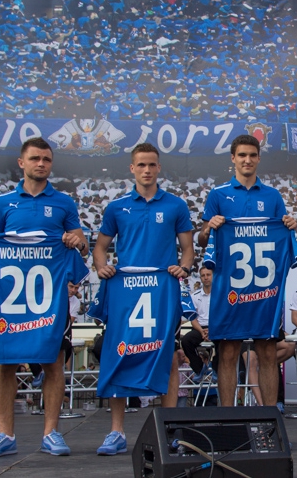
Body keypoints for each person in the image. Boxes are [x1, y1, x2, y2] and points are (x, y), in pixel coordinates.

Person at [0, 137, 88, 459]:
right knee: (4, 365)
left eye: (47, 159)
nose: (41, 164)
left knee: (52, 362)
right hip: (10, 301)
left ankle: (51, 432)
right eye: (35, 158)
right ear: (21, 163)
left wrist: (77, 241)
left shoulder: (65, 203)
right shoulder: (3, 203)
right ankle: (4, 433)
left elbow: (82, 245)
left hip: (49, 299)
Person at [92, 142, 194, 456]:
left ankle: (169, 429)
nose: (147, 170)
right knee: (117, 355)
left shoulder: (176, 205)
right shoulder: (117, 207)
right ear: (132, 168)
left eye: (152, 165)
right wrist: (101, 266)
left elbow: (187, 248)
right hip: (126, 292)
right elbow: (100, 247)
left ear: (159, 168)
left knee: (169, 357)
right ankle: (116, 431)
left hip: (162, 292)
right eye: (141, 165)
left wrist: (185, 266)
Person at [198, 135, 296, 409]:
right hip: (230, 289)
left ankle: (268, 415)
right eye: (242, 155)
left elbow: (283, 236)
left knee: (266, 352)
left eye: (252, 155)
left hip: (265, 290)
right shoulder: (218, 195)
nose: (247, 160)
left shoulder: (273, 196)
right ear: (233, 158)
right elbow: (202, 240)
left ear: (259, 158)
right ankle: (227, 416)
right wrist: (210, 227)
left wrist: (289, 223)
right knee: (228, 352)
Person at [181, 267, 214, 380]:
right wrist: (201, 331)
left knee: (224, 342)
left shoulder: (220, 295)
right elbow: (193, 318)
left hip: (216, 327)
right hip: (200, 328)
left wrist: (212, 330)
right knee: (186, 341)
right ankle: (199, 368)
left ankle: (216, 369)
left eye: (208, 275)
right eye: (203, 275)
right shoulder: (195, 296)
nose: (206, 277)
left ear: (213, 276)